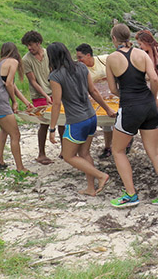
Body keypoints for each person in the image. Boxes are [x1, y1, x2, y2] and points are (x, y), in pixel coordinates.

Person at [106, 24, 158, 207]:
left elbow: (113, 89)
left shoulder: (112, 58)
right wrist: (152, 98)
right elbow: (154, 79)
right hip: (148, 105)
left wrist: (127, 95)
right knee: (154, 151)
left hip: (130, 106)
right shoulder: (142, 54)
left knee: (118, 150)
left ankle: (130, 194)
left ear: (114, 39)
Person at [47, 42, 115, 196]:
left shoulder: (55, 76)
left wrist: (52, 128)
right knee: (84, 154)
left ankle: (101, 175)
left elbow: (57, 103)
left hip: (76, 121)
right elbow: (94, 91)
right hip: (91, 117)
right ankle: (91, 188)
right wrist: (107, 109)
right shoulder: (82, 67)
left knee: (68, 156)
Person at [75, 43, 134, 158]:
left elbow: (120, 66)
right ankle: (108, 147)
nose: (78, 60)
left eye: (80, 57)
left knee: (119, 118)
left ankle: (125, 141)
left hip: (114, 95)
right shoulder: (81, 69)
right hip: (98, 98)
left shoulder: (104, 59)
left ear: (88, 55)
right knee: (105, 124)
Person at [0, 42, 33, 172]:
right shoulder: (13, 61)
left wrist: (26, 102)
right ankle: (20, 168)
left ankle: (0, 161)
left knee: (4, 129)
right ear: (15, 52)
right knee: (15, 134)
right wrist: (15, 102)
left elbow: (12, 85)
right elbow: (9, 84)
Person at [21, 30, 63, 164]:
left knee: (62, 120)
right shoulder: (26, 60)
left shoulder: (48, 54)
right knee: (44, 123)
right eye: (27, 45)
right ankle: (41, 154)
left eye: (31, 45)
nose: (29, 48)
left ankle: (64, 150)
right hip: (39, 94)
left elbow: (55, 71)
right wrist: (45, 95)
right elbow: (33, 81)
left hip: (54, 89)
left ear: (38, 43)